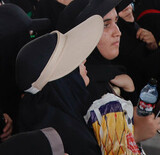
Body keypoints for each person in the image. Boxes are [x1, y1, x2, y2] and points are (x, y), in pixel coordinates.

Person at [15, 15, 104, 154]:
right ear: (62, 79)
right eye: (73, 60)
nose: (84, 60)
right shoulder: (70, 137)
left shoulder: (38, 110)